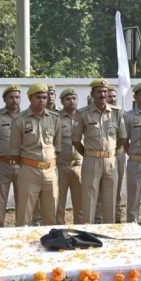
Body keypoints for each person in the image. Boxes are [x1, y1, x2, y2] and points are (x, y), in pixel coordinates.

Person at [74, 79, 128, 224]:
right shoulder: (83, 113)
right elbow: (75, 140)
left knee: (110, 199)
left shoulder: (117, 113)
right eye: (99, 92)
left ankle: (110, 234)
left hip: (111, 161)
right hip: (91, 160)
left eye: (105, 91)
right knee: (89, 200)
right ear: (92, 94)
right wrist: (88, 153)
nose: (103, 95)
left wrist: (111, 153)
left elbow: (122, 138)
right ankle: (88, 232)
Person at [11, 82, 60, 226]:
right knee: (24, 212)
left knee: (51, 212)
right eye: (38, 97)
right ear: (30, 98)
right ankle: (21, 242)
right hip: (29, 171)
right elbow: (15, 151)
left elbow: (57, 146)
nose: (42, 100)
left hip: (51, 171)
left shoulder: (54, 118)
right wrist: (29, 164)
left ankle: (51, 242)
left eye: (45, 97)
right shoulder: (19, 120)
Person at [0, 84, 22, 227]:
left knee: (23, 199)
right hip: (2, 164)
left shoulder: (27, 116)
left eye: (17, 97)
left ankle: (22, 227)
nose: (14, 100)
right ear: (4, 99)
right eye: (11, 97)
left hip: (23, 165)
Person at [123, 83, 141, 225]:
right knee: (134, 199)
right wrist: (132, 154)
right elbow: (124, 140)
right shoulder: (128, 117)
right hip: (135, 162)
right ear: (135, 97)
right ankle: (132, 226)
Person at [55, 88, 83, 224]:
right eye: (68, 99)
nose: (72, 101)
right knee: (58, 204)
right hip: (61, 166)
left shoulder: (84, 116)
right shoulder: (56, 118)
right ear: (62, 101)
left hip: (80, 166)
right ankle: (59, 232)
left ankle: (81, 231)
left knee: (81, 204)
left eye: (74, 98)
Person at [105, 85, 126, 221]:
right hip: (103, 157)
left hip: (118, 155)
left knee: (116, 188)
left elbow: (123, 138)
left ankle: (116, 216)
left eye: (114, 96)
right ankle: (101, 216)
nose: (112, 99)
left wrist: (115, 150)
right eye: (109, 96)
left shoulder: (120, 113)